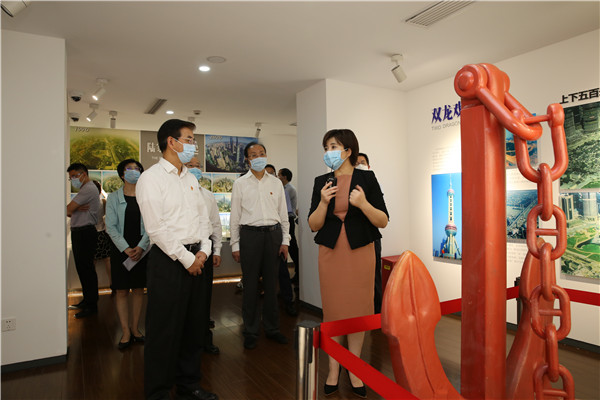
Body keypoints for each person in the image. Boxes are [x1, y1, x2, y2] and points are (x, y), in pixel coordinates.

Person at [136, 119, 217, 400]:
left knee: (194, 326)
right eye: (190, 139)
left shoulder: (191, 178)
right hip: (169, 261)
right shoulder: (151, 179)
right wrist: (187, 259)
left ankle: (189, 384)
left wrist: (204, 251)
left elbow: (203, 220)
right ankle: (158, 391)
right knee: (164, 329)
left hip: (197, 258)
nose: (194, 145)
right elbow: (156, 229)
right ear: (172, 142)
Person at [308, 129, 388, 398]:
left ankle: (354, 368)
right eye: (326, 147)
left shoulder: (367, 178)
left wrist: (363, 204)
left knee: (358, 311)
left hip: (360, 251)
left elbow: (382, 220)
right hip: (331, 253)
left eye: (333, 146)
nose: (328, 152)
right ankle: (333, 369)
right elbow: (313, 224)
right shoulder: (321, 181)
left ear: (348, 150)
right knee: (333, 311)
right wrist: (323, 202)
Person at [230, 142, 290, 350]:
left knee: (272, 285)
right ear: (247, 159)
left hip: (273, 235)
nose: (258, 157)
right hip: (250, 236)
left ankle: (272, 328)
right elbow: (235, 216)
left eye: (262, 153)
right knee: (250, 285)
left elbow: (283, 215)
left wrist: (285, 241)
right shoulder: (240, 184)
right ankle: (251, 330)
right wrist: (235, 245)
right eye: (253, 154)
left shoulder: (276, 183)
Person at [105, 159, 150, 350]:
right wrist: (126, 249)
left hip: (142, 250)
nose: (134, 171)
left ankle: (135, 328)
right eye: (129, 169)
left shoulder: (147, 196)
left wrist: (140, 247)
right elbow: (110, 226)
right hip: (120, 249)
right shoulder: (113, 198)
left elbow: (152, 224)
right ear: (122, 174)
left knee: (139, 290)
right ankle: (125, 331)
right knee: (122, 291)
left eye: (137, 169)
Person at [185, 157, 222, 355]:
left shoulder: (207, 195)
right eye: (190, 165)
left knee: (204, 297)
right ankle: (184, 342)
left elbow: (215, 224)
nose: (194, 169)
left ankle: (204, 340)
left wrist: (216, 250)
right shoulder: (176, 193)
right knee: (184, 298)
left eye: (197, 166)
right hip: (182, 250)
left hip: (204, 250)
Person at [67, 163, 101, 319]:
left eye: (74, 176)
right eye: (71, 178)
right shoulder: (84, 189)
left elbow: (68, 209)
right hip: (80, 232)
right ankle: (87, 300)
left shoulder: (88, 188)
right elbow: (69, 211)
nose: (73, 179)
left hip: (85, 233)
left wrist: (73, 208)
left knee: (86, 269)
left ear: (84, 174)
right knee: (83, 269)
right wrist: (73, 208)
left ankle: (91, 305)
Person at [355, 153, 383, 314]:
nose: (359, 165)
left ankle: (377, 314)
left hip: (371, 237)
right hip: (354, 240)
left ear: (368, 166)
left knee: (374, 278)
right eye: (356, 163)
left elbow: (381, 216)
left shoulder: (373, 187)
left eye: (363, 162)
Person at [277, 168, 300, 286]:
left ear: (284, 177)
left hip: (288, 220)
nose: (277, 177)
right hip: (285, 219)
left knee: (291, 247)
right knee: (290, 247)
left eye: (279, 175)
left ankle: (297, 273)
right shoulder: (284, 188)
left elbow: (285, 208)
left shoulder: (289, 189)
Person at [91, 180, 113, 294]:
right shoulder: (103, 202)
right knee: (107, 260)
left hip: (92, 234)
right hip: (103, 234)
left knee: (92, 262)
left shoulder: (88, 203)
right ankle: (112, 284)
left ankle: (92, 287)